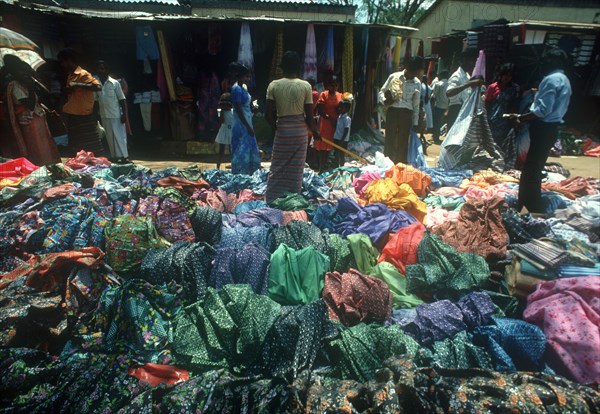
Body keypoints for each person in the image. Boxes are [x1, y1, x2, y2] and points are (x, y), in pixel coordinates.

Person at [506, 47, 572, 216]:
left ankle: (528, 207)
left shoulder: (550, 80)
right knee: (535, 168)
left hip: (543, 128)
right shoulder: (564, 79)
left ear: (553, 62)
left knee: (530, 171)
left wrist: (520, 118)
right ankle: (532, 205)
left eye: (546, 61)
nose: (543, 64)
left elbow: (541, 111)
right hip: (551, 128)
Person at [265, 50, 319, 203]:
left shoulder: (273, 85)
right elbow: (309, 116)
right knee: (296, 168)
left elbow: (268, 115)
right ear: (298, 67)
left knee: (278, 165)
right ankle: (293, 198)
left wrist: (278, 128)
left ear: (283, 67)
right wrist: (315, 132)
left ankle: (272, 198)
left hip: (283, 128)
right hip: (299, 131)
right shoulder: (306, 86)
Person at [0, 55, 61, 165]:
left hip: (38, 118)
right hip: (28, 121)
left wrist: (34, 83)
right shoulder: (14, 85)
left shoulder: (26, 83)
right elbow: (30, 104)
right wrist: (31, 88)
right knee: (36, 149)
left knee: (45, 146)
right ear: (14, 70)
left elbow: (45, 95)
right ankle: (41, 168)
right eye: (21, 70)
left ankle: (49, 167)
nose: (24, 73)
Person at [57, 48, 103, 156]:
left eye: (62, 62)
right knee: (76, 146)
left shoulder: (83, 74)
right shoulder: (70, 75)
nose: (62, 64)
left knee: (91, 147)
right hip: (73, 114)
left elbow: (98, 87)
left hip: (84, 115)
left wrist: (79, 85)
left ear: (68, 60)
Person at [378, 56, 423, 164]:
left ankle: (400, 167)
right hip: (392, 111)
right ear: (407, 67)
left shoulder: (417, 83)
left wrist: (415, 122)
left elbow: (416, 105)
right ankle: (387, 165)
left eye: (416, 72)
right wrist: (385, 100)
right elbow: (381, 91)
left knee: (403, 143)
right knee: (390, 140)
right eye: (413, 71)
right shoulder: (394, 76)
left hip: (406, 115)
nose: (414, 74)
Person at [95, 61, 130, 163]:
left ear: (107, 70)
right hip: (104, 115)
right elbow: (96, 101)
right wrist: (96, 116)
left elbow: (122, 99)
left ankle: (124, 157)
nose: (100, 71)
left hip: (116, 114)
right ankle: (115, 157)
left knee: (119, 136)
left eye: (102, 68)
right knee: (110, 137)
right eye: (99, 69)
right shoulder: (96, 85)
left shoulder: (114, 83)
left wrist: (124, 114)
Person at [229, 62, 260, 175]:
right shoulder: (236, 89)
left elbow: (246, 105)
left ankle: (250, 172)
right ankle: (241, 173)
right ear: (241, 76)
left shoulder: (244, 88)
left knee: (249, 147)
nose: (249, 78)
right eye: (247, 76)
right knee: (241, 148)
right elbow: (238, 109)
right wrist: (247, 126)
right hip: (241, 123)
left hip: (247, 120)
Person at [485, 63, 520, 154]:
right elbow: (487, 104)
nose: (507, 78)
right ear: (501, 74)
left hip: (505, 120)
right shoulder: (492, 87)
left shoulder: (514, 89)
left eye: (510, 76)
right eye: (505, 75)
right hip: (492, 120)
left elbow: (514, 104)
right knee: (490, 141)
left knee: (503, 143)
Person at [446, 48, 483, 130]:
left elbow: (468, 92)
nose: (473, 64)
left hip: (464, 112)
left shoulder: (467, 76)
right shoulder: (456, 76)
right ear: (464, 60)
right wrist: (469, 84)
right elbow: (449, 92)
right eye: (471, 61)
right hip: (455, 111)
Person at [315, 75, 342, 172]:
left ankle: (333, 166)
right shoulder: (323, 95)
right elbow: (320, 110)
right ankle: (321, 167)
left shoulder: (340, 95)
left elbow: (341, 109)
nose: (334, 87)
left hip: (336, 124)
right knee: (323, 146)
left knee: (335, 145)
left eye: (335, 85)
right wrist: (329, 118)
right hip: (326, 124)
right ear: (328, 86)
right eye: (332, 85)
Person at [215, 93, 233, 169]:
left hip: (231, 131)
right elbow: (221, 121)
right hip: (224, 131)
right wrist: (222, 111)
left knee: (231, 150)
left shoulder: (233, 111)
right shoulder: (220, 111)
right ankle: (218, 167)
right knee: (221, 151)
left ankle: (233, 165)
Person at [431, 69, 449, 144]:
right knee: (446, 122)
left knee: (436, 122)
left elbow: (434, 95)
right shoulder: (450, 84)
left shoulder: (438, 84)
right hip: (447, 106)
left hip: (438, 106)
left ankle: (435, 137)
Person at [333, 100, 352, 167]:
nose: (340, 108)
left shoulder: (347, 119)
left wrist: (342, 140)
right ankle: (336, 168)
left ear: (347, 109)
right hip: (336, 138)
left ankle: (341, 169)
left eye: (342, 107)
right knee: (336, 154)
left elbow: (346, 130)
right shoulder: (339, 117)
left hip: (343, 140)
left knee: (341, 155)